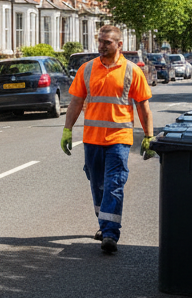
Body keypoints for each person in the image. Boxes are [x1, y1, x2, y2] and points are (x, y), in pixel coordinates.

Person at [60, 25, 154, 255]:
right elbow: (75, 102)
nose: (101, 46)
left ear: (119, 45)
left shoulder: (132, 71)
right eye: (100, 41)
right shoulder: (87, 69)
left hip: (119, 139)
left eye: (107, 42)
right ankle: (104, 222)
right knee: (97, 183)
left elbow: (143, 106)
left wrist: (149, 135)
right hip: (92, 139)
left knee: (114, 183)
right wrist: (67, 130)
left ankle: (110, 232)